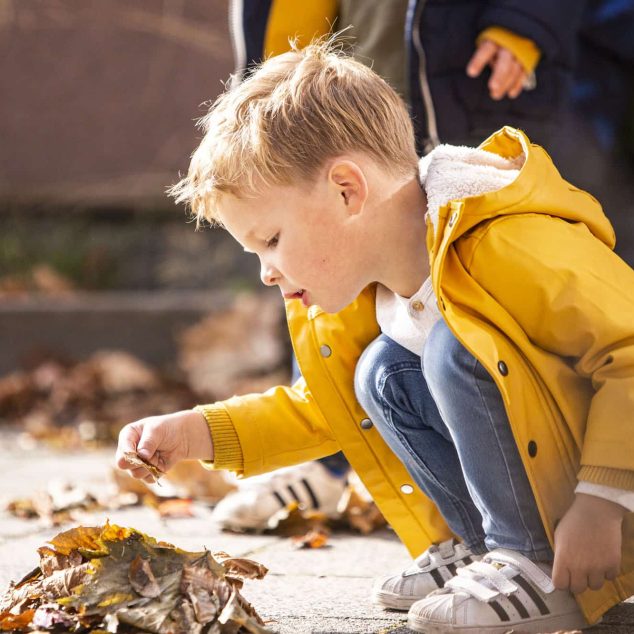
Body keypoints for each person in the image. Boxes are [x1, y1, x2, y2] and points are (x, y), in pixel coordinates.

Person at [117, 40, 634, 633]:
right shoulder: (373, 294)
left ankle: (532, 564)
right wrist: (195, 434)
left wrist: (602, 504)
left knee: (452, 348)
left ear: (346, 190)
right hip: (572, 498)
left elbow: (630, 350)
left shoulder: (507, 243)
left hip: (607, 511)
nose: (265, 270)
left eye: (272, 240)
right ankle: (485, 549)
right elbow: (321, 412)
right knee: (380, 372)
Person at [218, 0, 585, 531]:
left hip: (464, 72)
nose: (265, 272)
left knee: (457, 328)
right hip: (340, 79)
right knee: (360, 327)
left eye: (268, 243)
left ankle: (525, 523)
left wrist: (526, 24)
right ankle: (340, 468)